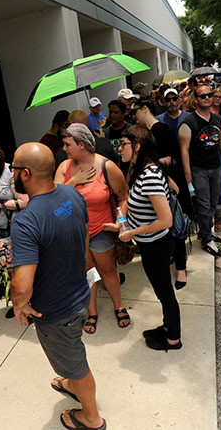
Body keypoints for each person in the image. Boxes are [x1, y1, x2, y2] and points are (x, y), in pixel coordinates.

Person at [8, 143, 106, 430]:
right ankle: (71, 382)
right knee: (72, 350)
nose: (13, 174)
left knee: (77, 362)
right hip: (79, 295)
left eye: (13, 169)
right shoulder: (71, 194)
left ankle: (91, 418)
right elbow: (84, 233)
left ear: (25, 173)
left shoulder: (26, 222)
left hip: (57, 311)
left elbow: (22, 285)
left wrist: (19, 304)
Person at [107, 127, 179, 352]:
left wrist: (133, 233)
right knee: (162, 290)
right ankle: (168, 328)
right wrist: (121, 223)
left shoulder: (149, 176)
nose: (120, 148)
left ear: (137, 147)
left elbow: (166, 220)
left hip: (156, 245)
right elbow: (132, 203)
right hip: (149, 244)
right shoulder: (141, 171)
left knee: (165, 293)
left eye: (124, 144)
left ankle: (173, 339)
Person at [55, 124, 129, 334]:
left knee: (107, 270)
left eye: (68, 144)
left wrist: (120, 223)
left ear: (82, 144)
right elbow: (54, 197)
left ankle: (119, 306)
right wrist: (73, 181)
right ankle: (92, 311)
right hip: (76, 233)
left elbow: (123, 196)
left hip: (101, 229)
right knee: (88, 272)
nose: (64, 149)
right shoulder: (64, 167)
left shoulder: (107, 167)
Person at [134, 102, 190, 288]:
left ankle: (181, 269)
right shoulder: (146, 133)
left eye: (136, 114)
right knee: (167, 227)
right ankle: (173, 259)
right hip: (158, 185)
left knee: (176, 226)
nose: (135, 119)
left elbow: (174, 157)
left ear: (144, 109)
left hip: (172, 185)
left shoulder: (161, 129)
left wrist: (156, 163)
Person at [179, 84, 221, 257]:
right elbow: (184, 151)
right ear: (196, 99)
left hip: (215, 167)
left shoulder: (217, 119)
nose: (207, 98)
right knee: (203, 205)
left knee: (213, 203)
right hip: (198, 169)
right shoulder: (189, 122)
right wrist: (188, 174)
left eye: (210, 95)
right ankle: (206, 239)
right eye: (203, 96)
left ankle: (205, 232)